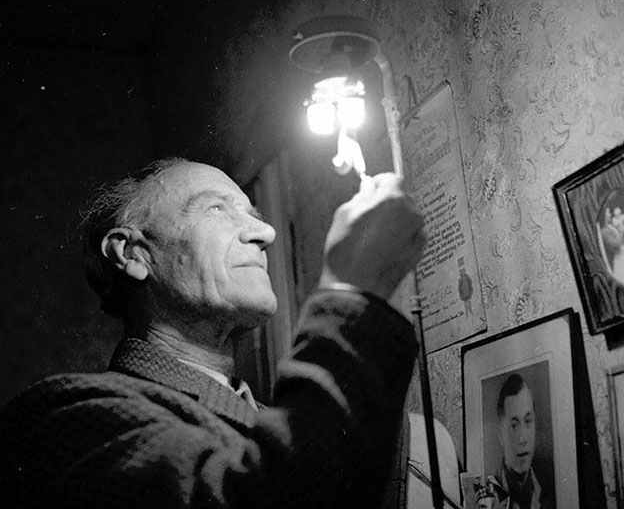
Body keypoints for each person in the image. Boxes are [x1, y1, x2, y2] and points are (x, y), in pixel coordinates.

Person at [0, 158, 427, 509]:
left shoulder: (272, 418)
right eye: (216, 209)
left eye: (255, 215)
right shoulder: (72, 419)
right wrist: (351, 292)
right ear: (133, 254)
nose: (265, 233)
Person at [494, 374, 553, 509]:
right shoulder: (490, 494)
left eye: (528, 422)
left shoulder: (548, 494)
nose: (522, 439)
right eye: (514, 426)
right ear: (501, 435)